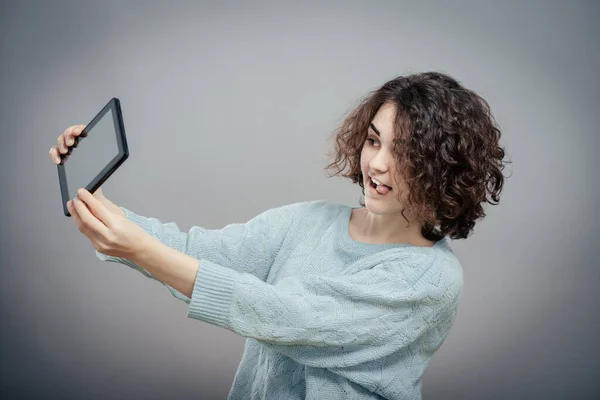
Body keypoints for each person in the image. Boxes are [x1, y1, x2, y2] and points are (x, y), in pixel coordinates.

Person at [49, 71, 508, 400]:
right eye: (373, 140)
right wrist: (99, 205)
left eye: (404, 151)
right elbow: (194, 252)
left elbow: (288, 318)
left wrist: (139, 249)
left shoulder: (428, 281)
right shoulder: (307, 221)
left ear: (443, 169)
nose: (378, 163)